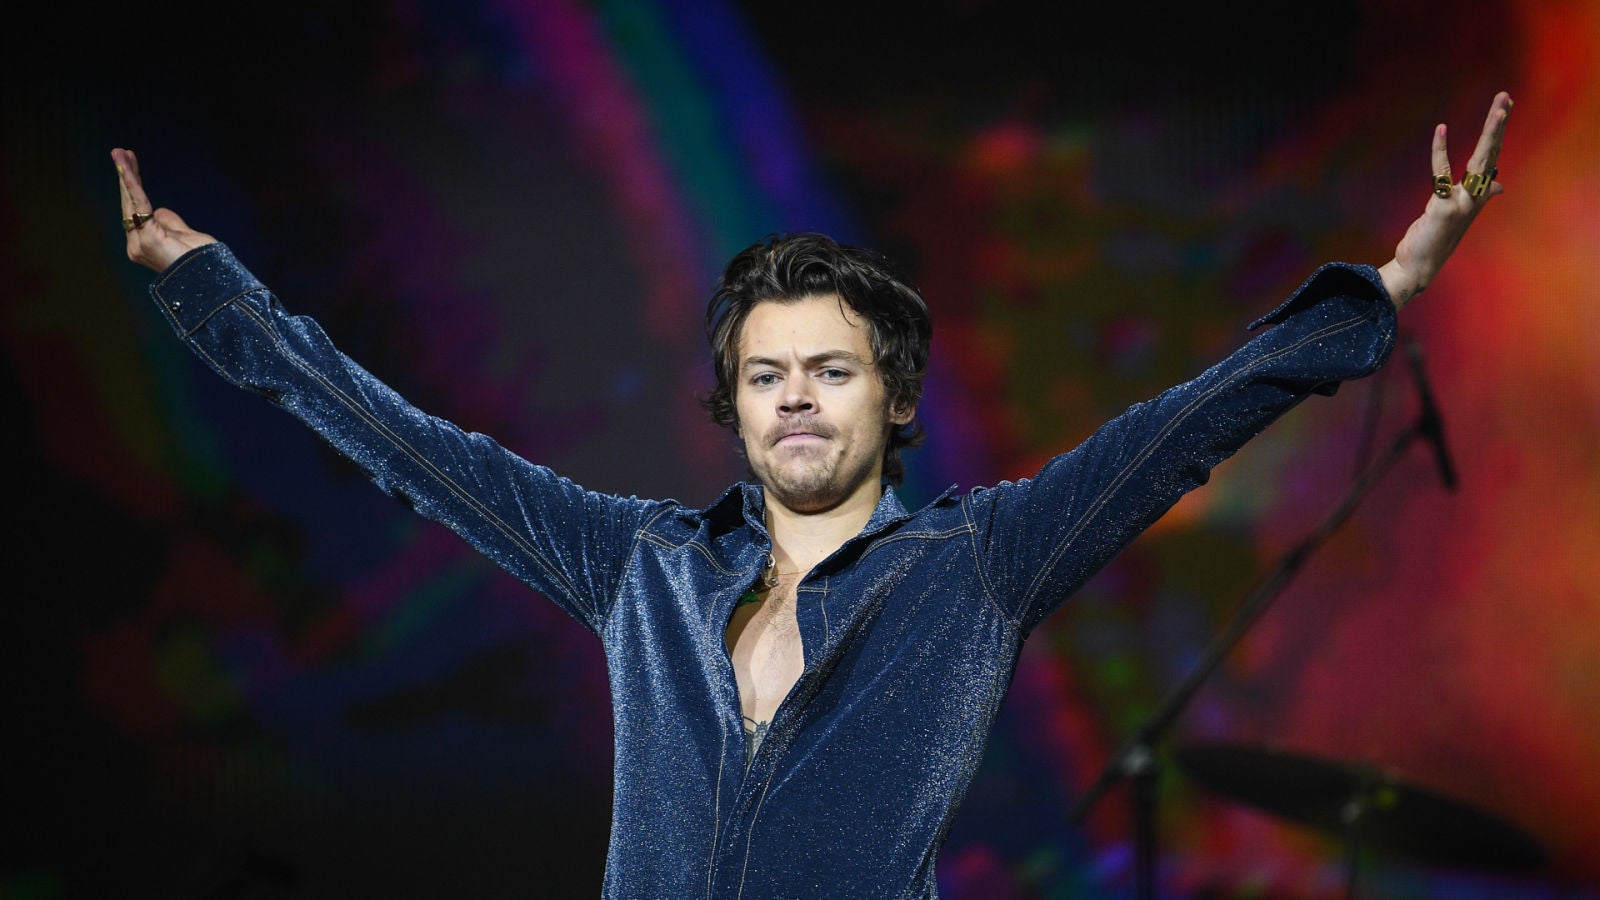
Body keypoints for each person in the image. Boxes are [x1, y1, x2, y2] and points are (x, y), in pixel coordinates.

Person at [113, 93, 1511, 898]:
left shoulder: (979, 561)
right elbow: (411, 448)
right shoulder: (639, 565)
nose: (795, 396)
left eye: (831, 370)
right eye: (766, 373)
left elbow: (1176, 435)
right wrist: (216, 293)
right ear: (732, 404)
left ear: (893, 400)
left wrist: (1388, 286)